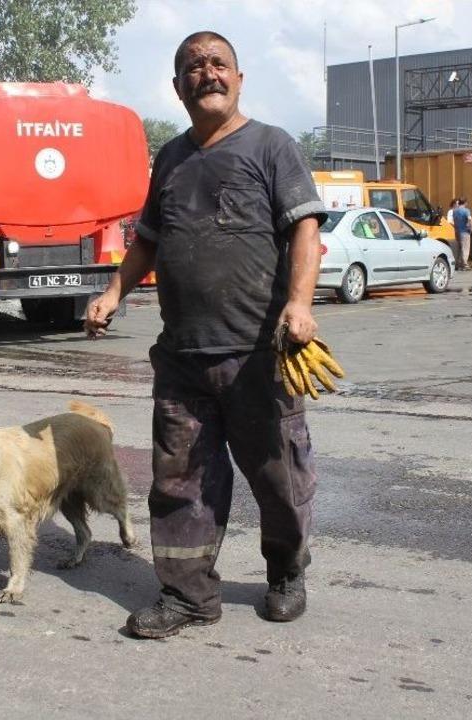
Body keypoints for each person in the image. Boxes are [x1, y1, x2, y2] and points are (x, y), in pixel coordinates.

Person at [84, 30, 327, 639]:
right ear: (177, 87)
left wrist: (299, 304)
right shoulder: (168, 159)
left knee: (278, 475)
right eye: (194, 67)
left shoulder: (272, 146)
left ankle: (286, 575)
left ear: (239, 79)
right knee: (177, 483)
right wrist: (114, 292)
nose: (208, 72)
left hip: (259, 356)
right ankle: (188, 596)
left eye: (219, 63)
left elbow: (304, 229)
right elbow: (148, 240)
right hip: (184, 358)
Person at [452, 197, 472, 271]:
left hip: (457, 231)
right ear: (465, 203)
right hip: (464, 231)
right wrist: (470, 228)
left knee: (459, 248)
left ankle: (457, 264)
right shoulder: (466, 210)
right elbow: (469, 219)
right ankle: (465, 264)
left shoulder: (454, 211)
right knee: (465, 248)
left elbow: (454, 221)